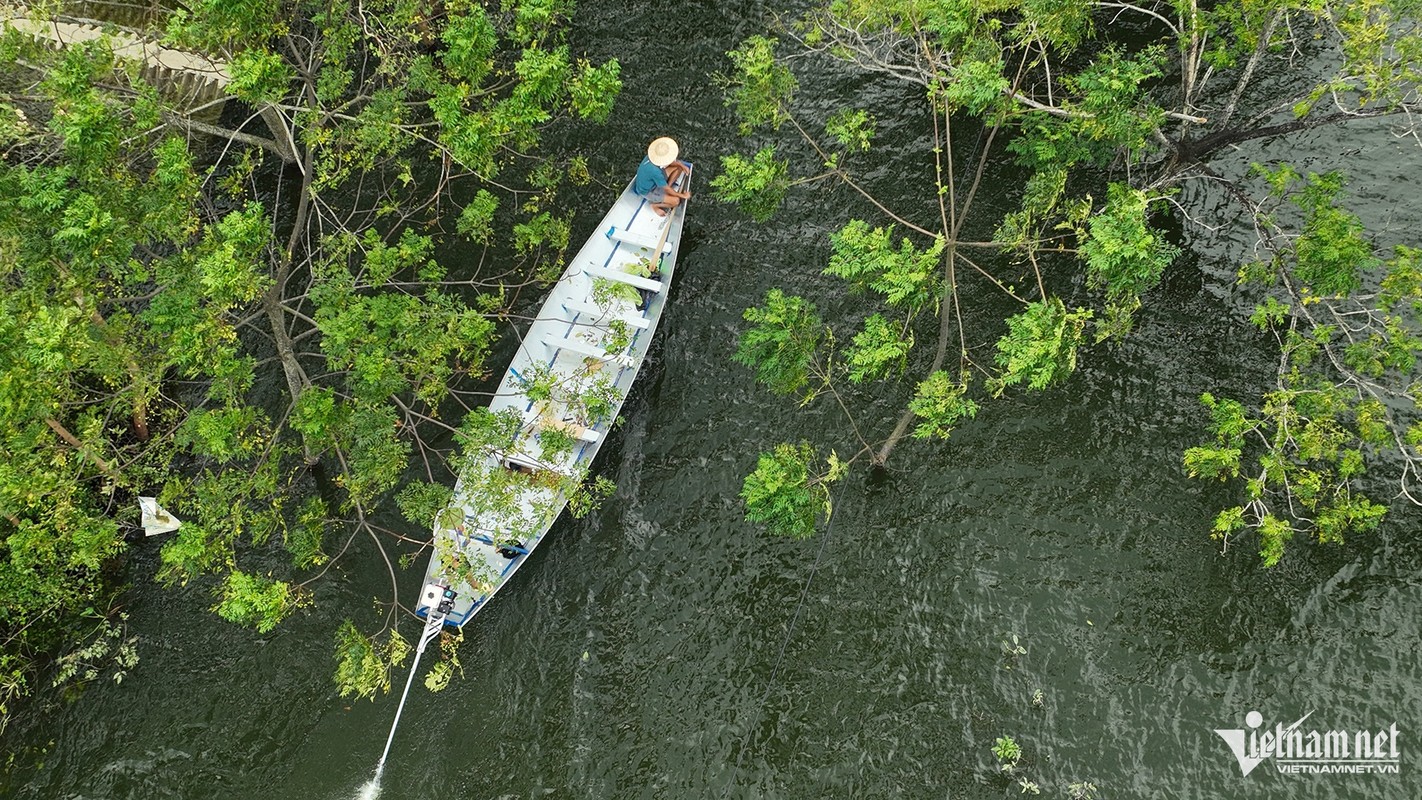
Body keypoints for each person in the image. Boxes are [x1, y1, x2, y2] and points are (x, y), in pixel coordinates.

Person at [634, 136, 690, 216]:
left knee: (679, 168)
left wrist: (682, 166)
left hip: (652, 180)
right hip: (648, 191)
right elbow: (666, 189)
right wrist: (683, 195)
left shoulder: (651, 158)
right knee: (676, 201)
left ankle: (667, 188)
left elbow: (671, 163)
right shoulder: (655, 171)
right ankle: (655, 205)